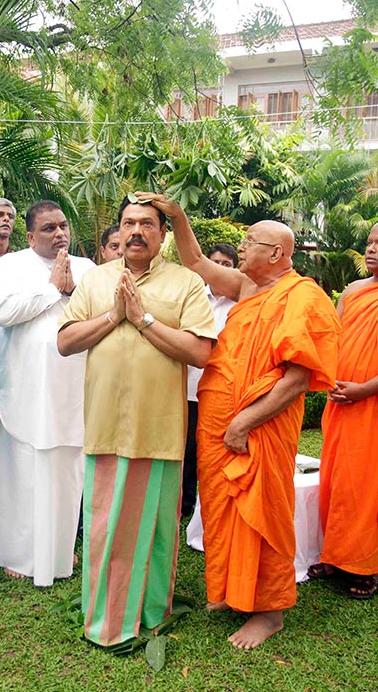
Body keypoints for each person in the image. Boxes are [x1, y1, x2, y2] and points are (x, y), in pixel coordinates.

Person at [142, 192, 340, 649]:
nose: (242, 246)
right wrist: (178, 216)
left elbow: (296, 378)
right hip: (218, 415)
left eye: (250, 241)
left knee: (262, 512)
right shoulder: (247, 287)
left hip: (260, 424)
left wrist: (246, 422)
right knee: (221, 507)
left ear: (276, 253)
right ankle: (234, 591)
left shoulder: (302, 297)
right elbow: (194, 261)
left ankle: (268, 612)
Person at [57, 197, 217, 647]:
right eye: (129, 223)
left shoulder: (185, 283)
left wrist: (143, 319)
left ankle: (149, 609)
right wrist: (113, 315)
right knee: (106, 522)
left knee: (156, 527)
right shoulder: (96, 279)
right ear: (119, 230)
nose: (136, 231)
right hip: (105, 423)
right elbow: (66, 342)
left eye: (147, 223)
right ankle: (104, 608)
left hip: (159, 427)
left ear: (163, 232)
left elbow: (201, 352)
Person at [0, 200, 95, 586]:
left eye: (63, 226)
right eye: (48, 228)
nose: (59, 234)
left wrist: (74, 288)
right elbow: (5, 311)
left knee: (68, 470)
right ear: (30, 235)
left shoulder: (86, 268)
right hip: (28, 388)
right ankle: (19, 551)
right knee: (25, 468)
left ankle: (60, 548)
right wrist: (53, 290)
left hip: (73, 386)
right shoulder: (13, 264)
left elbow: (100, 312)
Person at [310, 220, 378, 599]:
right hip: (343, 402)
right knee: (336, 481)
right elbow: (333, 338)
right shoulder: (355, 291)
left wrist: (363, 389)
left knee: (367, 484)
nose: (372, 248)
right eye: (369, 242)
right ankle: (335, 555)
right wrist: (329, 379)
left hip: (377, 404)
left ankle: (364, 565)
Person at [182, 243, 238, 517]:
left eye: (226, 264)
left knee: (215, 449)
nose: (218, 268)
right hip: (191, 386)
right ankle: (186, 504)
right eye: (214, 262)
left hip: (225, 389)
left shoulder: (241, 303)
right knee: (188, 449)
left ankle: (214, 504)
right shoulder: (194, 297)